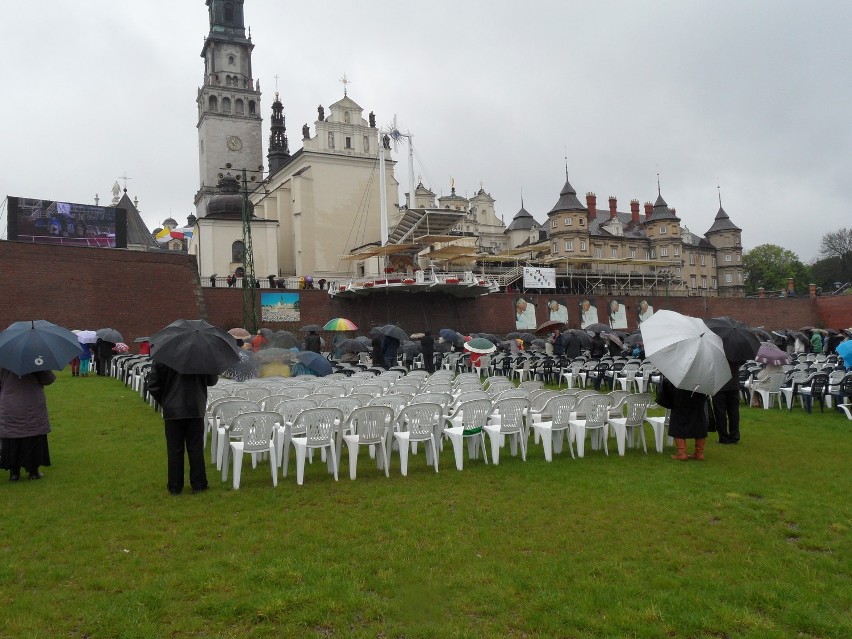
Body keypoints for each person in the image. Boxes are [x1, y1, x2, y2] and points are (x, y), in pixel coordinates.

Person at [147, 363, 217, 495]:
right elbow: (212, 380)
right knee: (196, 448)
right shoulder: (200, 357)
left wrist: (165, 401)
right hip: (195, 408)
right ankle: (199, 484)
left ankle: (175, 486)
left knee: (174, 449)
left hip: (173, 409)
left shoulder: (163, 358)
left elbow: (153, 385)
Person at [0, 368, 55, 481]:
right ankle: (33, 472)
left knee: (12, 435)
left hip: (10, 402)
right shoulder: (35, 359)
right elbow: (48, 379)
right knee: (33, 434)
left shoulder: (3, 359)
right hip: (32, 401)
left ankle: (14, 473)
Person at [657, 377, 709, 461]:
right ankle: (699, 453)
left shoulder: (680, 367)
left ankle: (682, 453)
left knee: (677, 420)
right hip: (698, 390)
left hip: (681, 392)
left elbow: (668, 385)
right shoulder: (701, 368)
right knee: (699, 420)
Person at [711, 360, 745, 444]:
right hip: (733, 383)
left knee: (720, 413)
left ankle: (723, 437)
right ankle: (735, 435)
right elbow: (742, 361)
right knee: (734, 411)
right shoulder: (736, 350)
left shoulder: (716, 349)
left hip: (719, 384)